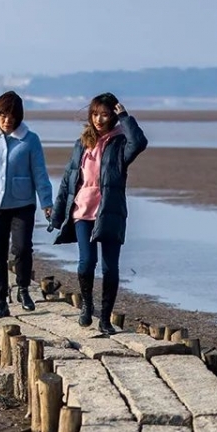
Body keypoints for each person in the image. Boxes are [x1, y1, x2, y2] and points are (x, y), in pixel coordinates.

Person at [50, 93, 147, 333]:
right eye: (95, 114)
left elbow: (140, 142)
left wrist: (125, 116)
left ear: (113, 115)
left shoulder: (121, 144)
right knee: (86, 262)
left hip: (109, 211)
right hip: (82, 210)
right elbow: (68, 180)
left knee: (109, 267)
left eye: (105, 114)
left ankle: (105, 318)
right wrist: (57, 214)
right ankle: (86, 306)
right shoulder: (82, 143)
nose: (99, 119)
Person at [0, 91, 53, 319]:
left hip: (23, 203)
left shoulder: (30, 139)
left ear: (19, 116)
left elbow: (40, 173)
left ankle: (23, 289)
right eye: (3, 114)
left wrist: (47, 202)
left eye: (12, 115)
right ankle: (0, 300)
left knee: (23, 248)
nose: (7, 120)